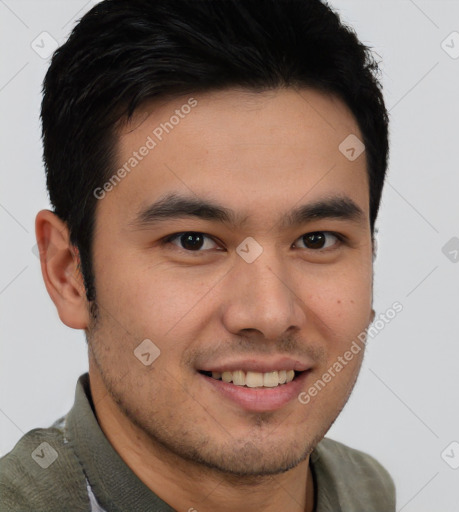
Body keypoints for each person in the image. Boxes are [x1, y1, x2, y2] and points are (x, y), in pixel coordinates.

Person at [0, 0, 395, 510]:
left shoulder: (365, 490)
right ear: (69, 272)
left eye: (316, 240)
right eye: (193, 241)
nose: (270, 314)